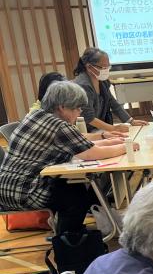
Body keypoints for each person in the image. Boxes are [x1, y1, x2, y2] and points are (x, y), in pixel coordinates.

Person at [0, 81, 132, 235]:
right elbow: (91, 154)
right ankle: (68, 240)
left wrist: (107, 141)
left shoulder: (35, 116)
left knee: (77, 188)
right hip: (25, 192)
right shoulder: (59, 126)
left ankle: (68, 232)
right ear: (62, 107)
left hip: (8, 187)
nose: (79, 113)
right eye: (77, 108)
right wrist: (127, 146)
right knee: (77, 196)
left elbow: (78, 143)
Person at [72, 48, 148, 134]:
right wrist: (113, 128)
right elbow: (88, 117)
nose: (106, 70)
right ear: (89, 67)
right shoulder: (83, 85)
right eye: (103, 67)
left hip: (98, 128)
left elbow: (113, 103)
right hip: (84, 131)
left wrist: (130, 121)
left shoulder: (102, 81)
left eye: (108, 67)